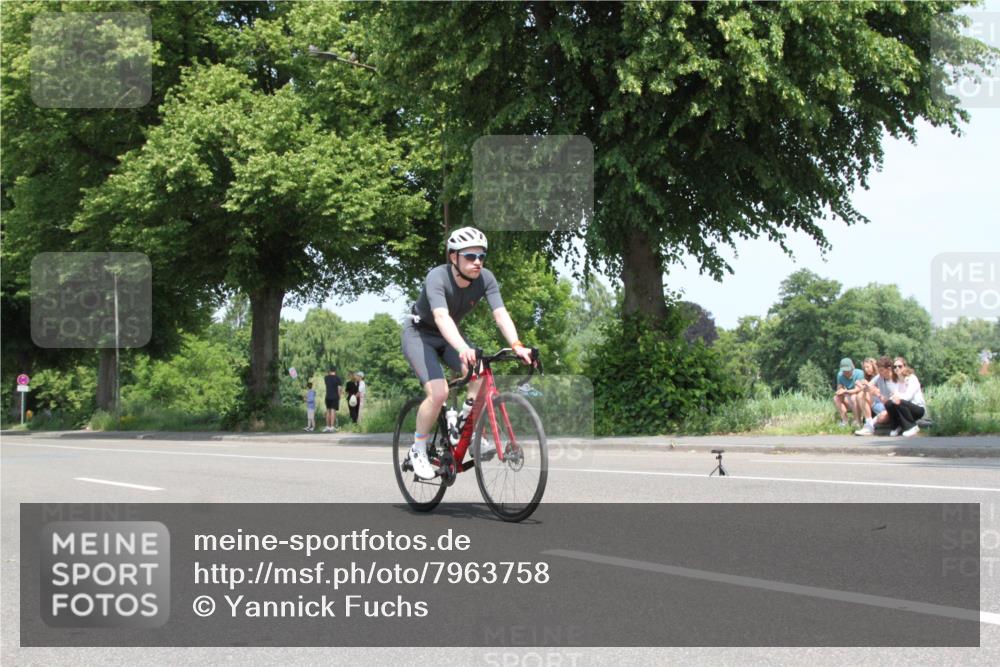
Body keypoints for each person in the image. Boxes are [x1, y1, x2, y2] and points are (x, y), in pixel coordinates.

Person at [401, 226, 534, 479]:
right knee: (439, 392)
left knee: (482, 372)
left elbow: (500, 314)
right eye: (470, 256)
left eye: (481, 257)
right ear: (454, 257)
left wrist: (517, 344)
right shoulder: (437, 277)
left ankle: (467, 424)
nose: (477, 262)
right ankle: (418, 448)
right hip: (420, 334)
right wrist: (463, 348)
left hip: (449, 334)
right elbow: (441, 316)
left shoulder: (486, 279)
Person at [885, 356, 926, 437]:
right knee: (888, 403)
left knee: (899, 401)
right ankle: (896, 427)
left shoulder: (912, 378)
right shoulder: (895, 381)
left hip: (917, 408)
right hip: (903, 407)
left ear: (905, 366)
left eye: (899, 366)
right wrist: (894, 397)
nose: (897, 368)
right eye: (894, 367)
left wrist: (896, 396)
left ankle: (912, 427)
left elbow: (908, 396)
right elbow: (893, 397)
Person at [855, 356, 894, 435]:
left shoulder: (896, 379)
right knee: (860, 395)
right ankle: (869, 426)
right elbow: (868, 387)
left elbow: (895, 401)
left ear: (889, 369)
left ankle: (870, 424)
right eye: (879, 370)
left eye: (881, 370)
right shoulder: (879, 377)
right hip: (881, 405)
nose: (880, 373)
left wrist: (877, 393)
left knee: (883, 417)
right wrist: (864, 386)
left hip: (892, 408)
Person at [833, 357, 865, 427]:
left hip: (858, 398)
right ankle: (845, 420)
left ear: (852, 367)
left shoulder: (859, 373)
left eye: (847, 370)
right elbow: (839, 387)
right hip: (847, 397)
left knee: (854, 397)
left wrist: (845, 391)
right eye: (844, 371)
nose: (846, 373)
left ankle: (857, 421)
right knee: (836, 398)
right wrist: (839, 391)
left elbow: (858, 389)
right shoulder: (840, 375)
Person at [323, 367, 342, 433]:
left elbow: (327, 381)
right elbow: (339, 389)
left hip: (327, 396)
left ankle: (327, 427)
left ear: (329, 371)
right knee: (333, 411)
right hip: (334, 397)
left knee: (328, 411)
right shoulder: (338, 378)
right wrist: (339, 396)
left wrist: (328, 373)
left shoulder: (326, 378)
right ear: (335, 371)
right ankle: (332, 427)